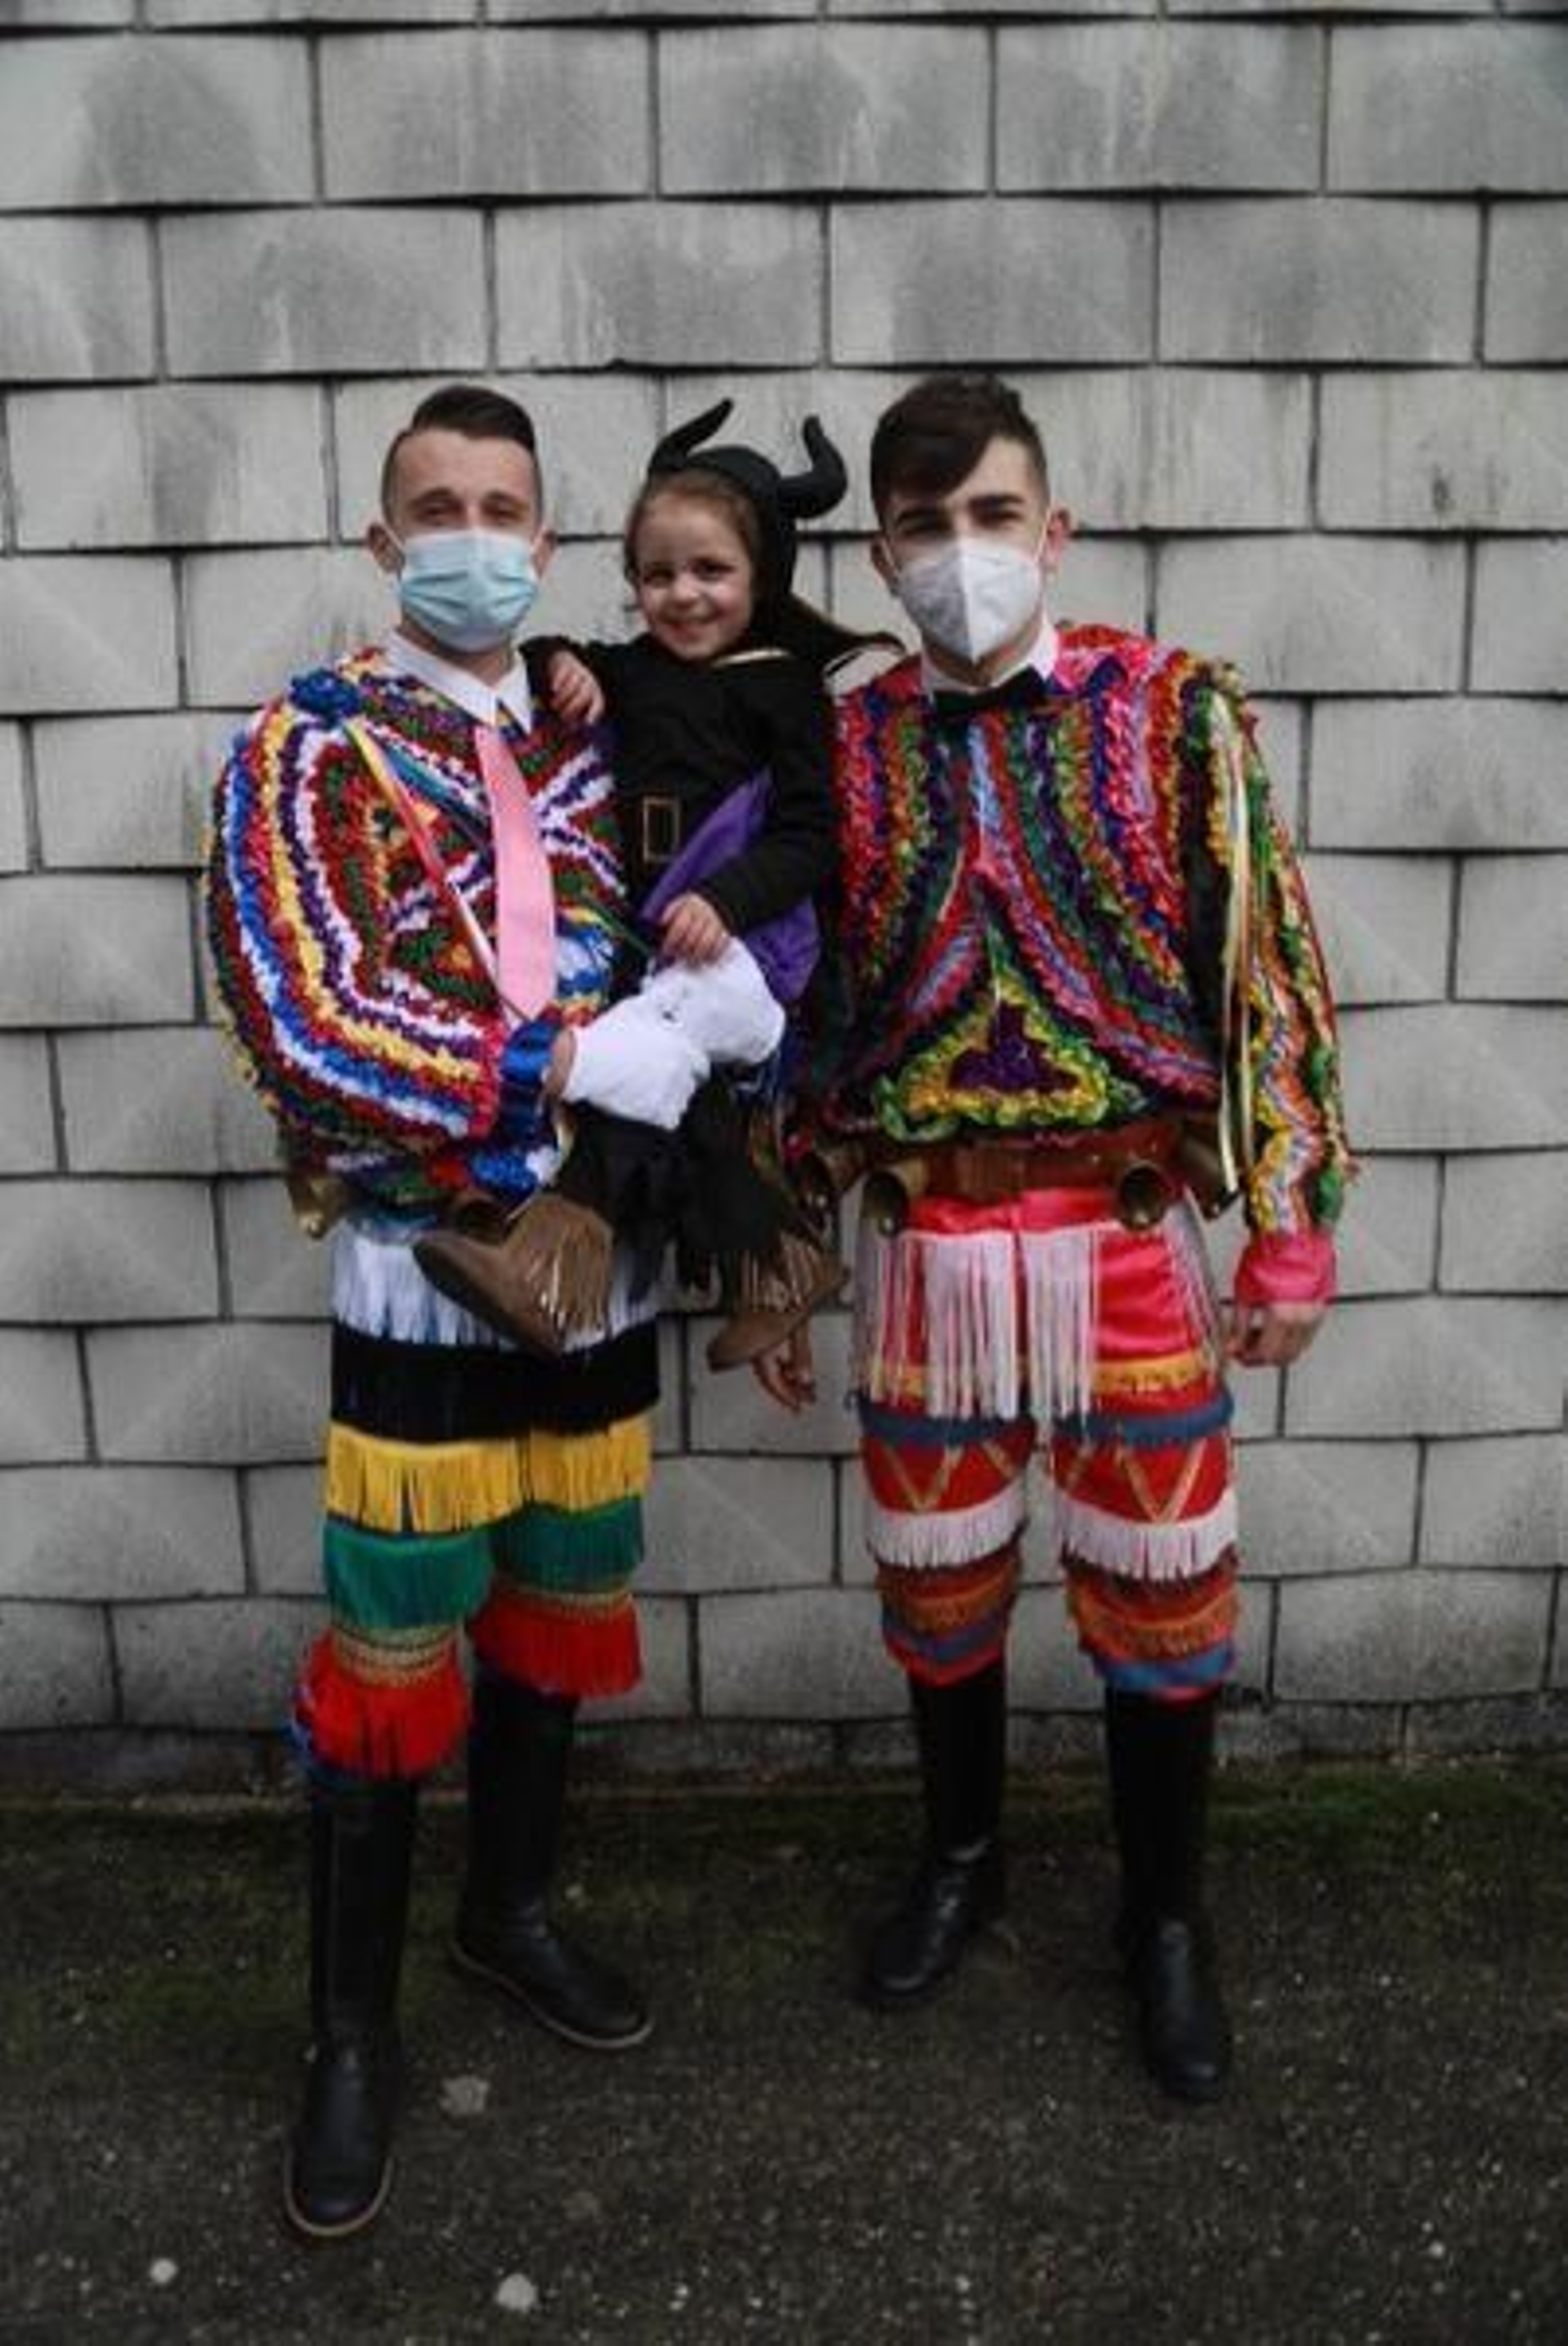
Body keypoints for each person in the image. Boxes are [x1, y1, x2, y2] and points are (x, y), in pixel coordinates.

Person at [760, 373, 1350, 2103]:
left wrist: (1291, 1220)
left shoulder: (1175, 711)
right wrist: (779, 1249)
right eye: (926, 528)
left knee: (1163, 1598)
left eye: (993, 518)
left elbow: (1268, 965)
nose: (963, 557)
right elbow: (794, 1015)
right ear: (878, 552)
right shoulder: (843, 740)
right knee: (938, 1590)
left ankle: (1164, 1914)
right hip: (929, 1245)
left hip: (1127, 1227)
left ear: (1057, 527)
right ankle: (964, 1854)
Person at [206, 384, 660, 2242]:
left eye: (505, 504)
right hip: (420, 1264)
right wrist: (567, 1058)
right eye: (435, 503)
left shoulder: (592, 748)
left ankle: (510, 1909)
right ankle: (345, 2030)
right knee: (395, 1649)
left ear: (543, 545)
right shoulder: (301, 753)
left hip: (595, 1259)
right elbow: (304, 1023)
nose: (473, 530)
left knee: (563, 1598)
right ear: (385, 541)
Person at [415, 400, 856, 1372]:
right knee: (679, 1103)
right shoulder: (638, 668)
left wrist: (730, 902)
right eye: (656, 575)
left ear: (761, 575)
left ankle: (542, 1270)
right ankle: (775, 1263)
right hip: (663, 947)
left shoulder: (780, 689)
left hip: (749, 950)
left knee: (614, 1074)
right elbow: (534, 660)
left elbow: (811, 834)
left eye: (711, 571)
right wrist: (560, 663)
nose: (683, 596)